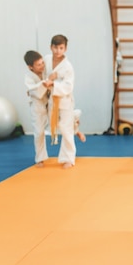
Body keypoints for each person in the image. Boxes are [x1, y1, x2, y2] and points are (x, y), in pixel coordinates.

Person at [24, 50, 85, 168]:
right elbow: (35, 91)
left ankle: (75, 125)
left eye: (42, 63)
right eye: (38, 65)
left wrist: (51, 80)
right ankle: (40, 158)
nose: (42, 66)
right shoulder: (28, 77)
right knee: (39, 132)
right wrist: (44, 83)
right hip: (37, 106)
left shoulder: (50, 65)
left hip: (50, 101)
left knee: (62, 125)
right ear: (30, 67)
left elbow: (58, 73)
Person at [43, 34, 79, 169]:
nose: (58, 51)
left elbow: (69, 86)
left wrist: (53, 83)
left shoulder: (68, 66)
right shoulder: (46, 60)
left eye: (61, 48)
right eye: (55, 47)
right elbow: (42, 75)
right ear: (51, 47)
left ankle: (68, 158)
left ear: (65, 49)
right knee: (55, 126)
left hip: (64, 100)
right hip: (51, 99)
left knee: (66, 129)